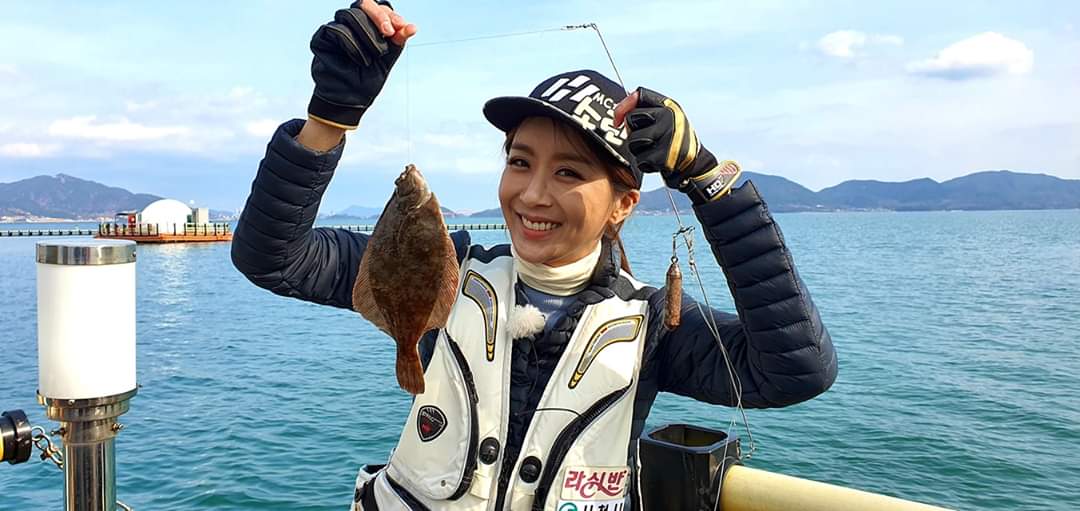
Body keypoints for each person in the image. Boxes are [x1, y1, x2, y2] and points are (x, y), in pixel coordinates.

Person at [231, 2, 837, 510]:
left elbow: (796, 369)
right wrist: (328, 120)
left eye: (568, 172)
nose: (532, 194)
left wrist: (707, 180)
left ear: (623, 204)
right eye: (519, 162)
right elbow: (273, 257)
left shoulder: (654, 326)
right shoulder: (451, 273)